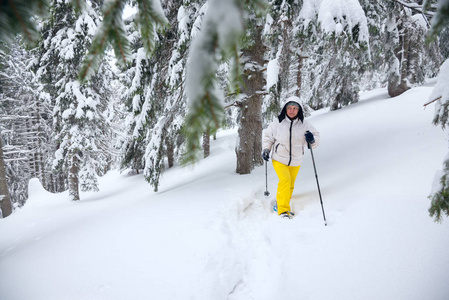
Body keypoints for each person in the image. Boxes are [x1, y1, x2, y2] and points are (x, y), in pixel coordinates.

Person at [262, 96, 320, 219]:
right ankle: (283, 210)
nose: (292, 110)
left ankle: (281, 201)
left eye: (295, 108)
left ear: (299, 110)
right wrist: (266, 149)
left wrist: (312, 139)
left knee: (290, 184)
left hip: (296, 159)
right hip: (279, 158)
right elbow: (268, 137)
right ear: (285, 109)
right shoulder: (278, 123)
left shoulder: (304, 124)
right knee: (285, 181)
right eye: (289, 108)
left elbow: (316, 137)